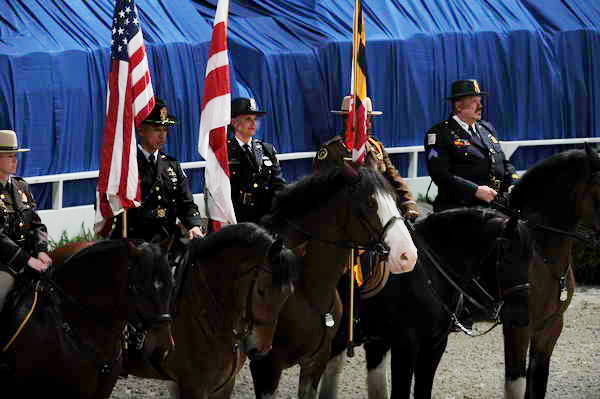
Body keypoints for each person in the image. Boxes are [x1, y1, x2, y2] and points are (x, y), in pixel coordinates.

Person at [313, 95, 420, 221]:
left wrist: (409, 203)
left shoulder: (376, 147)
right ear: (346, 120)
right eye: (362, 119)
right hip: (346, 218)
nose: (368, 124)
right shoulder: (330, 151)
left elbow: (393, 177)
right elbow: (322, 191)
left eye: (369, 119)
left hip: (380, 213)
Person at [111, 99, 203, 242]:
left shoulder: (171, 165)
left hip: (167, 240)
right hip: (136, 241)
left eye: (165, 130)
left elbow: (186, 203)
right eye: (156, 129)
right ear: (141, 130)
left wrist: (194, 225)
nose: (162, 135)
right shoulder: (126, 166)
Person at [424, 79, 519, 212]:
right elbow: (440, 174)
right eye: (474, 101)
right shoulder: (440, 133)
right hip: (460, 208)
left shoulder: (487, 128)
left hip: (494, 205)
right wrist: (475, 190)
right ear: (459, 106)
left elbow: (503, 162)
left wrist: (514, 182)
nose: (480, 106)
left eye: (480, 101)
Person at [0, 129, 51, 314]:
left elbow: (37, 224)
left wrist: (42, 251)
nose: (15, 160)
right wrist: (26, 260)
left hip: (28, 259)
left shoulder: (21, 186)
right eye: (9, 156)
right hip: (4, 264)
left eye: (15, 155)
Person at [227, 97, 286, 224]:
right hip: (238, 217)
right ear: (234, 122)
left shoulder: (266, 149)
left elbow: (278, 184)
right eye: (248, 119)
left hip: (266, 216)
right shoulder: (225, 152)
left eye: (255, 119)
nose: (253, 124)